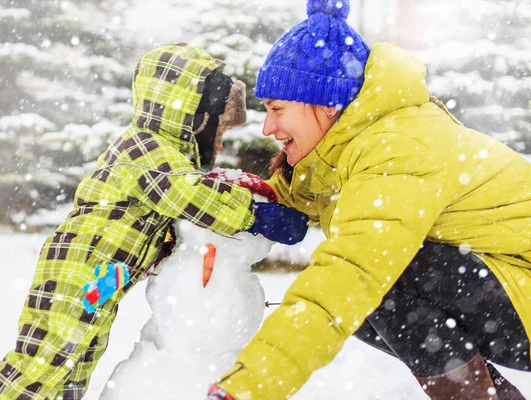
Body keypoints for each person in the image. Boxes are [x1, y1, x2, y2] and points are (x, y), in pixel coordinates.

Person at [207, 1, 531, 399]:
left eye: (277, 109)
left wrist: (247, 388)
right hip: (509, 290)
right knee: (368, 299)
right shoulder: (350, 146)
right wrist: (221, 199)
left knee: (374, 278)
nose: (268, 127)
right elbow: (294, 198)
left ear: (327, 104)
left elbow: (347, 274)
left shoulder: (398, 147)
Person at [0, 44, 308, 400]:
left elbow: (161, 210)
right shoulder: (143, 149)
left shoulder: (161, 156)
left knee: (77, 359)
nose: (220, 145)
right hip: (77, 266)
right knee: (45, 360)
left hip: (101, 278)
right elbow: (188, 194)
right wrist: (254, 214)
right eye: (217, 130)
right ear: (192, 117)